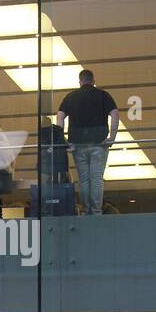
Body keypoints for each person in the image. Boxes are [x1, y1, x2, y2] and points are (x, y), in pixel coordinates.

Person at [56, 68, 119, 216]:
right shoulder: (103, 95)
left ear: (80, 81)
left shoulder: (70, 97)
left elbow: (59, 117)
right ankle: (96, 211)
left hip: (78, 144)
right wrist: (112, 137)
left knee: (84, 179)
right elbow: (115, 115)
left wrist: (62, 138)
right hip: (99, 143)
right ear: (93, 81)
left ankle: (86, 210)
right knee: (96, 179)